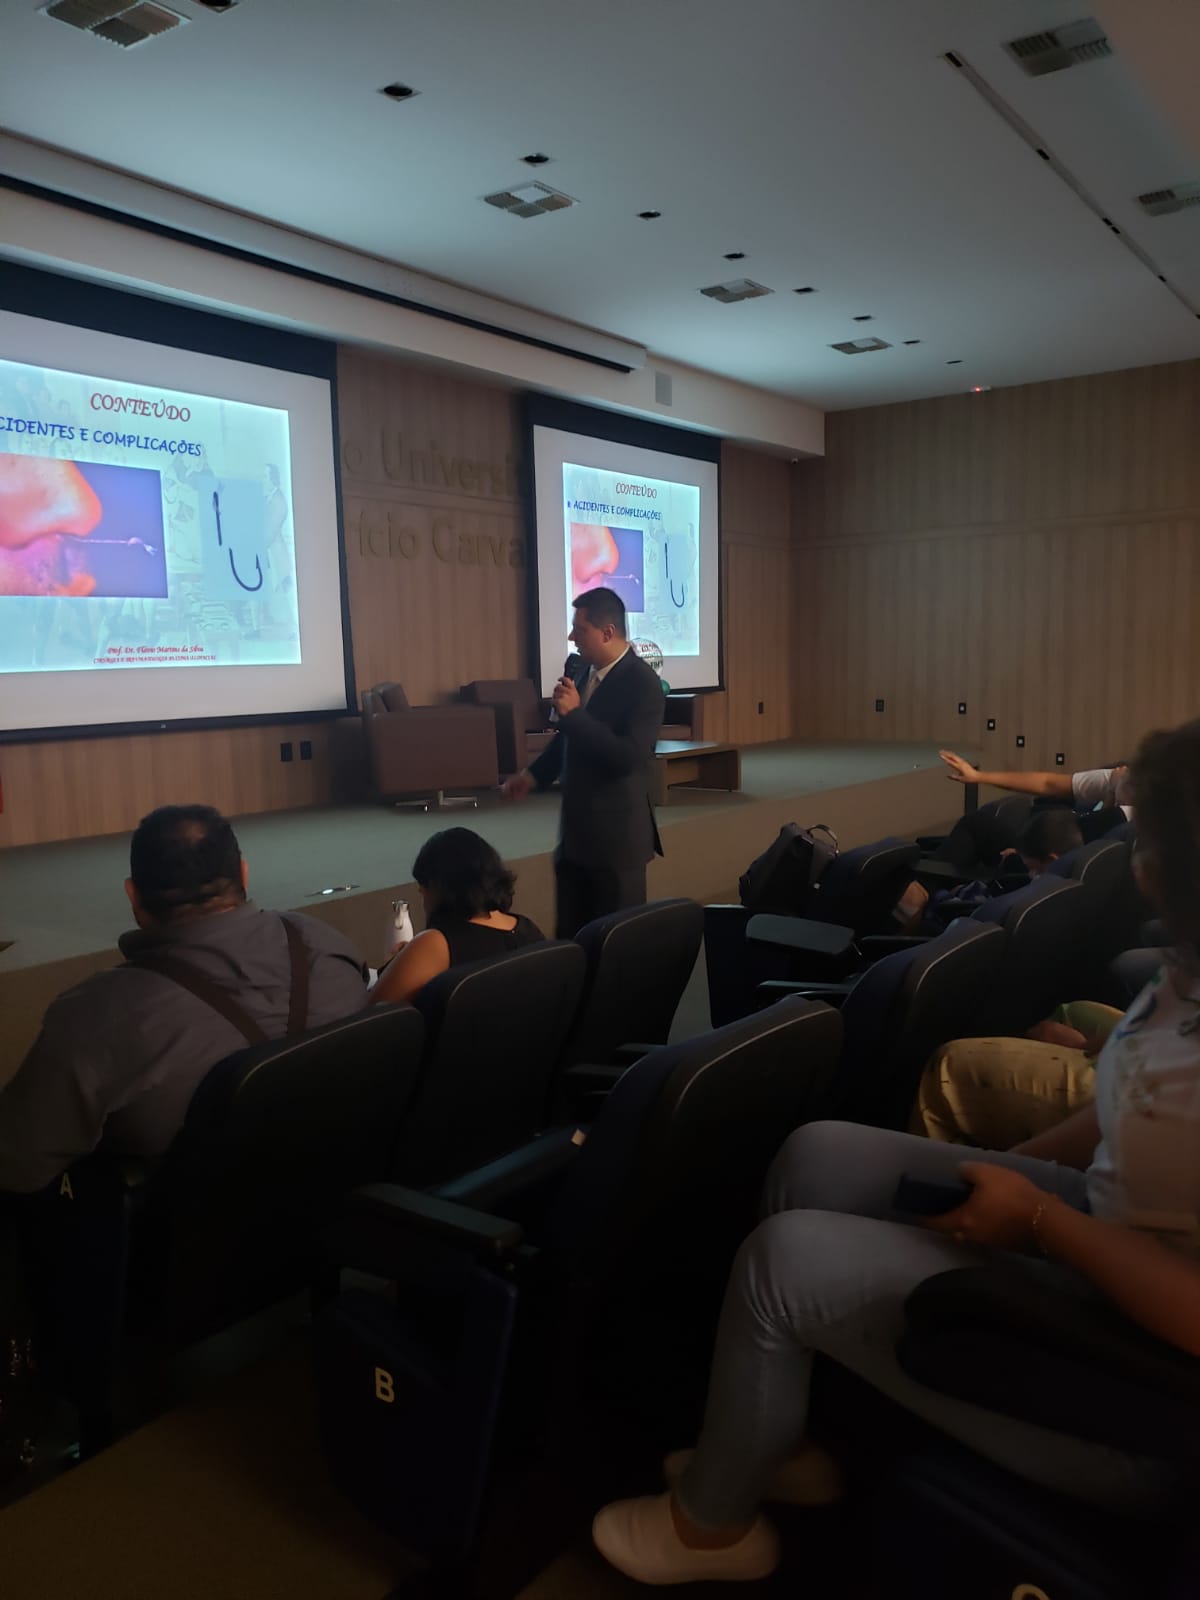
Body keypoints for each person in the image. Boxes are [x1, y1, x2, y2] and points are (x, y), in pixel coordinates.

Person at [592, 717, 1200, 1586]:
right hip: (1105, 1239)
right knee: (816, 1156)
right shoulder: (1184, 971)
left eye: (1154, 842)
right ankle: (775, 1437)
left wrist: (1039, 1220)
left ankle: (712, 1527)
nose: (1136, 856)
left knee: (779, 1262)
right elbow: (1124, 1110)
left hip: (1142, 1401)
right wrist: (1011, 1180)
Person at [0, 805, 369, 1194]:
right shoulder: (324, 944)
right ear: (243, 874)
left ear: (133, 895)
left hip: (197, 1230)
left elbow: (16, 1164)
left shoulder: (94, 1016)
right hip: (351, 1206)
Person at [501, 587, 663, 938]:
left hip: (617, 844)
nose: (571, 637)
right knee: (571, 941)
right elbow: (568, 737)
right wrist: (533, 776)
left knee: (614, 947)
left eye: (580, 629)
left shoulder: (643, 683)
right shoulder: (581, 670)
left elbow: (627, 758)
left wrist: (574, 715)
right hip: (575, 838)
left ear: (607, 632)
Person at [371, 828, 544, 1006]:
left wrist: (396, 964)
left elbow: (374, 1014)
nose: (423, 902)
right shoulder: (529, 930)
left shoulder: (436, 944)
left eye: (424, 890)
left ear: (439, 888)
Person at [939, 749, 1133, 818]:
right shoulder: (1121, 776)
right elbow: (1048, 783)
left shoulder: (1140, 816)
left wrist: (1110, 793)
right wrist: (978, 776)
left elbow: (1097, 837)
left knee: (975, 824)